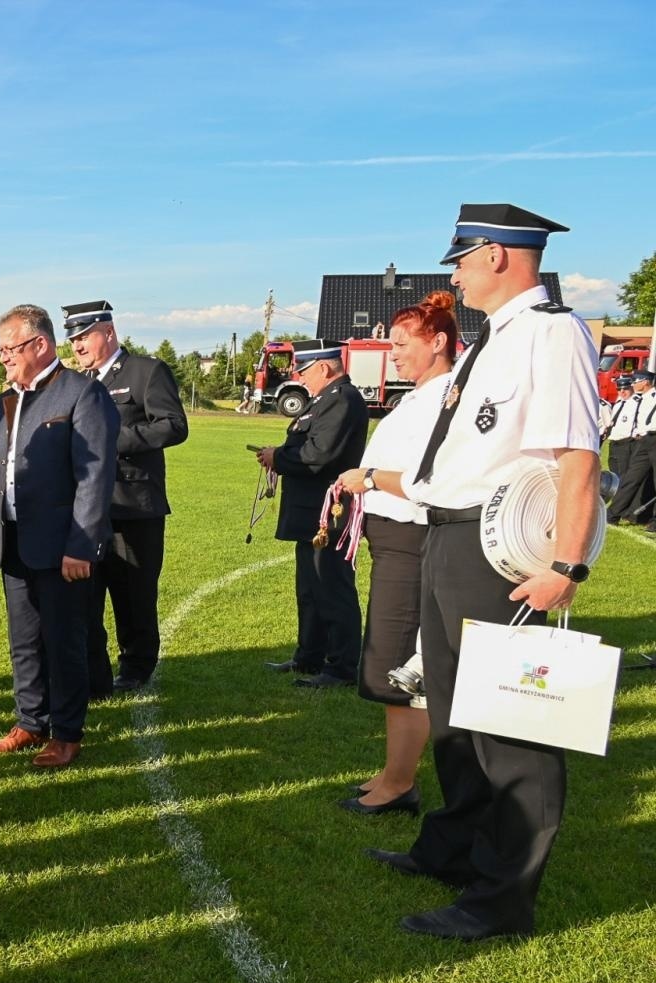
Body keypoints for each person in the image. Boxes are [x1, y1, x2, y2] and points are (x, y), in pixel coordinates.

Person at [346, 203, 601, 941]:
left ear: (496, 255)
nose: (454, 275)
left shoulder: (552, 333)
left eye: (461, 259)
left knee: (513, 729)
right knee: (455, 714)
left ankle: (502, 899)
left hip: (498, 550)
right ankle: (454, 849)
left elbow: (578, 457)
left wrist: (567, 564)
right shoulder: (496, 338)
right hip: (446, 535)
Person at [0, 304, 119, 769]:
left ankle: (67, 733)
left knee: (64, 640)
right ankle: (30, 720)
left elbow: (95, 477)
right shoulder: (6, 400)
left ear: (40, 344)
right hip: (15, 540)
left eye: (9, 349)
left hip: (63, 547)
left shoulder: (83, 394)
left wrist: (81, 546)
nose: (3, 358)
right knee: (24, 640)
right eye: (0, 351)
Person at [332, 292, 458, 815]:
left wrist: (366, 478)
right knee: (392, 655)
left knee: (399, 660)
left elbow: (430, 480)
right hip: (396, 539)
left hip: (412, 538)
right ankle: (393, 772)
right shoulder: (421, 395)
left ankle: (400, 783)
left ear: (438, 342)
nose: (394, 354)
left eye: (403, 344)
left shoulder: (445, 397)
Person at [64, 300, 189, 694]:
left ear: (109, 332)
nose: (78, 345)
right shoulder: (78, 382)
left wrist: (113, 441)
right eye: (73, 339)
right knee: (86, 595)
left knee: (133, 595)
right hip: (87, 508)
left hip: (133, 505)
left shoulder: (146, 371)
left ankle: (136, 668)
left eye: (85, 336)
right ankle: (94, 673)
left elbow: (174, 425)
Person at [257, 340, 369, 689]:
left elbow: (319, 455)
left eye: (303, 370)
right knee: (310, 589)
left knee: (331, 588)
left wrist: (278, 458)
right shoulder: (324, 399)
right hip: (311, 509)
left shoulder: (342, 399)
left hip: (328, 511)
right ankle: (309, 656)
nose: (299, 377)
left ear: (323, 367)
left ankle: (341, 668)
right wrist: (279, 454)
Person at [606, 369, 655, 525]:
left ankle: (653, 520)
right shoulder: (639, 399)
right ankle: (612, 514)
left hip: (654, 437)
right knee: (631, 478)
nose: (632, 385)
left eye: (636, 382)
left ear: (645, 382)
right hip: (643, 440)